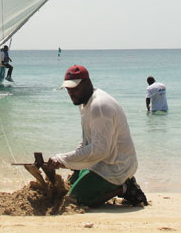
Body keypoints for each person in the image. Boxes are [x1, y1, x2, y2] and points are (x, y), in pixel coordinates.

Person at [47, 65, 148, 208]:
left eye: (75, 88)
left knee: (74, 201)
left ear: (87, 83)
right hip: (101, 161)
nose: (71, 93)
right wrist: (69, 160)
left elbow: (100, 150)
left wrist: (63, 158)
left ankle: (124, 187)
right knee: (69, 185)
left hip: (115, 166)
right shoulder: (84, 103)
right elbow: (87, 139)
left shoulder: (99, 106)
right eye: (68, 90)